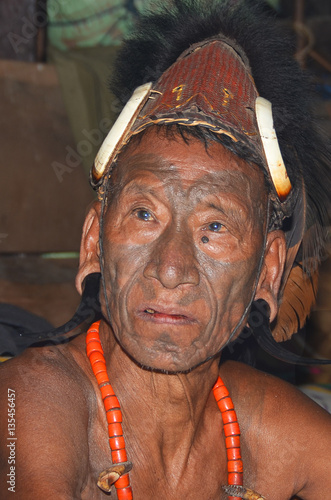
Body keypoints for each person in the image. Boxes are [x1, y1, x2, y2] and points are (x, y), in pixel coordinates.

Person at [1, 1, 331, 498]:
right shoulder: (28, 403)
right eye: (145, 214)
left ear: (268, 272)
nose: (171, 268)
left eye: (214, 226)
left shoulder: (274, 429)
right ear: (94, 242)